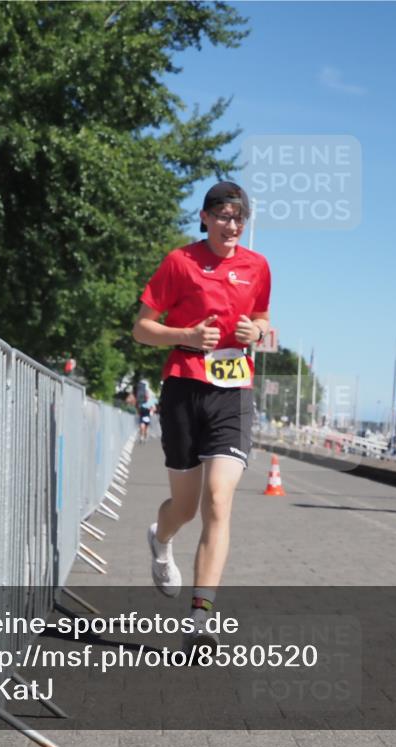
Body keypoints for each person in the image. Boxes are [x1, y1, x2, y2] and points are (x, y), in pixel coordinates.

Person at [132, 181, 271, 648]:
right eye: (224, 216)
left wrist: (258, 330)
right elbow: (142, 330)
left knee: (217, 500)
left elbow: (265, 322)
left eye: (240, 218)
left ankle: (200, 618)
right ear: (206, 218)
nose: (233, 225)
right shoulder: (180, 262)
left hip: (232, 394)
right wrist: (186, 336)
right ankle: (161, 537)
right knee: (185, 508)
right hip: (184, 392)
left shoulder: (258, 266)